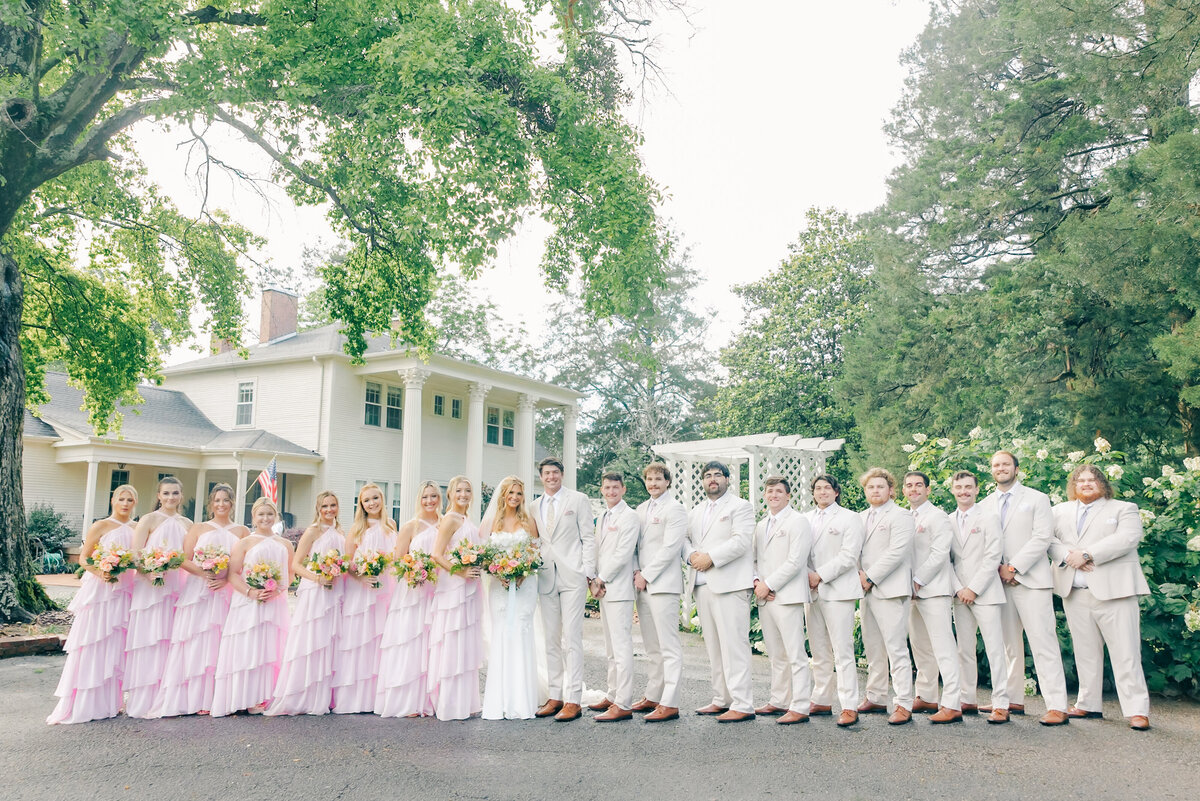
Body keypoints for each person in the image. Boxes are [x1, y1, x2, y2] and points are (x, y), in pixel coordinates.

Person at [1050, 465, 1151, 730]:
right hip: (1074, 592)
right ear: (1074, 485)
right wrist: (1066, 555)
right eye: (1081, 480)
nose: (1086, 484)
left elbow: (1128, 538)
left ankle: (1136, 710)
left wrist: (1086, 554)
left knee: (1126, 652)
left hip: (1116, 593)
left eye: (1092, 480)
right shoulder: (1059, 511)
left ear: (1102, 484)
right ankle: (1088, 703)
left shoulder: (1123, 508)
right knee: (1085, 652)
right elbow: (1047, 539)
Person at [979, 450, 1070, 726]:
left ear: (1016, 469)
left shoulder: (1037, 498)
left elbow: (1043, 537)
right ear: (991, 471)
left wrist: (1014, 567)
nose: (1001, 468)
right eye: (996, 465)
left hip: (1031, 580)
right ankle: (1011, 699)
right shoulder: (984, 504)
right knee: (1008, 645)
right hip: (998, 581)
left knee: (1043, 643)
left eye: (1006, 464)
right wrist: (997, 569)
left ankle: (1057, 705)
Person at [150, 483, 247, 717]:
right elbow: (183, 559)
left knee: (222, 642)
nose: (221, 504)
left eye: (226, 500)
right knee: (196, 641)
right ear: (211, 503)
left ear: (232, 503)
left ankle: (220, 698)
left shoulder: (242, 531)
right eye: (217, 500)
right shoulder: (198, 528)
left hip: (225, 592)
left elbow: (243, 564)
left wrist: (224, 580)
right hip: (198, 591)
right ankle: (193, 697)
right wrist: (204, 573)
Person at [47, 484, 139, 724]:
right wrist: (103, 572)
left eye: (130, 500)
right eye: (122, 499)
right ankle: (86, 702)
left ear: (135, 503)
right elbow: (85, 558)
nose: (125, 503)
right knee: (96, 640)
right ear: (113, 501)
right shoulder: (100, 525)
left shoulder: (137, 528)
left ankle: (112, 701)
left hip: (126, 591)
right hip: (102, 590)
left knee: (117, 643)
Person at [686, 461, 756, 722]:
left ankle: (743, 703)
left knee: (734, 645)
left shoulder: (741, 507)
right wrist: (692, 556)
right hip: (702, 584)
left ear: (728, 479)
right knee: (714, 646)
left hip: (730, 584)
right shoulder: (695, 511)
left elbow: (740, 541)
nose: (712, 479)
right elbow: (684, 540)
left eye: (717, 475)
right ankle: (721, 698)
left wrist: (710, 558)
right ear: (702, 481)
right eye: (707, 476)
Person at [210, 497, 293, 716]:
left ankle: (264, 696)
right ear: (253, 517)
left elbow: (290, 572)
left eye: (269, 514)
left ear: (275, 516)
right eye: (261, 514)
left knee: (269, 647)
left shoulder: (285, 544)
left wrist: (278, 589)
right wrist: (251, 591)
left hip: (274, 602)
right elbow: (232, 574)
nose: (265, 518)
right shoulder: (245, 542)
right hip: (248, 602)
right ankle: (243, 696)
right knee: (249, 646)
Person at [266, 491, 345, 716]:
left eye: (333, 505)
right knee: (313, 641)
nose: (329, 510)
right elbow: (296, 565)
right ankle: (305, 695)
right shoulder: (313, 531)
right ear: (318, 509)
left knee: (330, 640)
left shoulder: (339, 531)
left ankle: (325, 695)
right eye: (324, 506)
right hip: (316, 590)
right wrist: (318, 578)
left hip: (335, 590)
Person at [528, 457, 595, 722]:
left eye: (555, 472)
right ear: (541, 477)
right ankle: (555, 696)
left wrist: (588, 572)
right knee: (551, 639)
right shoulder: (534, 506)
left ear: (562, 475)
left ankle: (573, 699)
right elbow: (536, 542)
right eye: (546, 473)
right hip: (546, 577)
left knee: (573, 639)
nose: (551, 477)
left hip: (573, 577)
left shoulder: (578, 500)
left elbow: (588, 537)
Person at [124, 476, 192, 718]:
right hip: (150, 585)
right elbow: (134, 554)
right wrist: (149, 571)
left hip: (178, 584)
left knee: (173, 637)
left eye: (175, 493)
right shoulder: (149, 519)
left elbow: (189, 556)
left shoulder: (187, 523)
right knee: (150, 637)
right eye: (166, 493)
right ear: (158, 496)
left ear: (181, 496)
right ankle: (145, 698)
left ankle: (170, 696)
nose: (170, 498)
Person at [948, 470, 1010, 724]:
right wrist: (958, 587)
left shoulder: (989, 517)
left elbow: (993, 555)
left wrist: (973, 588)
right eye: (959, 487)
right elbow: (946, 559)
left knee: (995, 649)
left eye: (968, 487)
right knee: (964, 649)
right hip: (958, 594)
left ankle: (1001, 703)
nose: (963, 491)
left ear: (976, 489)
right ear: (953, 490)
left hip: (985, 592)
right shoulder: (948, 520)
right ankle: (967, 699)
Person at [376, 481, 442, 718]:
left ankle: (432, 697)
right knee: (411, 640)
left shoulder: (446, 524)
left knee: (433, 642)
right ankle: (407, 700)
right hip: (413, 590)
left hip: (438, 589)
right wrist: (414, 570)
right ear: (419, 499)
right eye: (425, 497)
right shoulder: (410, 526)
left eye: (434, 496)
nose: (429, 501)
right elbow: (397, 559)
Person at [751, 476, 814, 725]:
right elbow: (754, 559)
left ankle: (800, 705)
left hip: (787, 596)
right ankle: (779, 699)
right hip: (766, 597)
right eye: (770, 491)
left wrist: (770, 584)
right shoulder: (761, 524)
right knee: (776, 653)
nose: (774, 495)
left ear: (789, 496)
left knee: (795, 652)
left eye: (779, 491)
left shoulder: (798, 521)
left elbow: (796, 560)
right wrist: (758, 583)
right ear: (765, 496)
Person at [804, 474, 865, 727]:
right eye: (818, 488)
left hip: (838, 590)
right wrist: (808, 577)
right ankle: (821, 698)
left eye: (827, 488)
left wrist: (820, 575)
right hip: (812, 591)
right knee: (818, 651)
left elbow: (849, 555)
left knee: (843, 651)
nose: (822, 492)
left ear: (836, 491)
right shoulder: (805, 519)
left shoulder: (850, 518)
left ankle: (849, 705)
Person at [856, 467, 915, 725]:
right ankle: (876, 695)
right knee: (873, 647)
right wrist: (858, 576)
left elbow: (897, 552)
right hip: (864, 589)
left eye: (880, 486)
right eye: (870, 487)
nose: (875, 491)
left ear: (890, 490)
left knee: (896, 648)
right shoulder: (859, 518)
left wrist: (869, 577)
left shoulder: (901, 516)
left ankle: (903, 702)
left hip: (889, 588)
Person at [903, 471, 963, 723]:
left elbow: (940, 553)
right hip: (910, 591)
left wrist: (918, 580)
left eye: (919, 485)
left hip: (933, 589)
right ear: (904, 490)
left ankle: (952, 703)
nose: (914, 489)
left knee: (943, 646)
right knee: (920, 645)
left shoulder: (937, 516)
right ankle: (926, 695)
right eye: (909, 485)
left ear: (928, 490)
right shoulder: (904, 516)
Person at [332, 482, 397, 713]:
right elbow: (347, 562)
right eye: (367, 500)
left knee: (381, 639)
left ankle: (377, 696)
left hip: (385, 589)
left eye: (375, 498)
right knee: (360, 639)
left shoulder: (391, 525)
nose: (372, 503)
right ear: (361, 504)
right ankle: (356, 697)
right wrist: (361, 576)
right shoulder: (357, 528)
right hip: (362, 590)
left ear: (382, 499)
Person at [481, 476, 542, 720]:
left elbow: (536, 552)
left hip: (524, 585)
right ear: (503, 495)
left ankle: (522, 701)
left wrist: (523, 573)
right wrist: (496, 571)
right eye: (511, 493)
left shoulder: (528, 522)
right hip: (499, 586)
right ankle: (499, 700)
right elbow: (484, 555)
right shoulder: (492, 522)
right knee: (502, 635)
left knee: (521, 632)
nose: (515, 498)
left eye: (519, 494)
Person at [631, 462, 688, 722]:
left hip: (663, 584)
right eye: (649, 479)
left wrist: (646, 575)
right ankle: (653, 694)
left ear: (668, 481)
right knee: (652, 645)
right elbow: (633, 546)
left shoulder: (675, 509)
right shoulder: (640, 509)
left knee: (668, 646)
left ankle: (670, 702)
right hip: (641, 584)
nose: (653, 483)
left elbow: (671, 547)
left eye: (658, 479)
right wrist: (635, 572)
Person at [428, 476, 485, 720]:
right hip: (454, 586)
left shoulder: (467, 519)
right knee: (453, 640)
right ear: (450, 494)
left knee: (465, 641)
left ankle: (465, 701)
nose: (463, 494)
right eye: (458, 490)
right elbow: (436, 555)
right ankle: (450, 703)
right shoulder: (450, 518)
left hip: (470, 587)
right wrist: (460, 570)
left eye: (467, 490)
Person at [588, 472, 641, 722]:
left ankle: (624, 702)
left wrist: (601, 579)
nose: (611, 491)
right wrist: (593, 580)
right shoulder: (602, 517)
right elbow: (598, 551)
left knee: (621, 648)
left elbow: (623, 554)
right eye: (607, 487)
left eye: (615, 487)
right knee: (610, 648)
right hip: (603, 587)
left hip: (617, 588)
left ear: (624, 489)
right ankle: (612, 693)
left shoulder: (629, 516)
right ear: (602, 489)